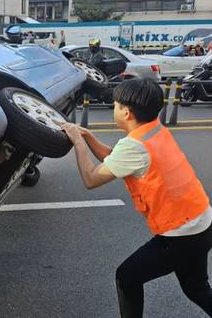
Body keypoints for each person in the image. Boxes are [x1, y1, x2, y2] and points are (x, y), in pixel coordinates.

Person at [61, 78, 212, 317]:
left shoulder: (135, 146)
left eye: (115, 104)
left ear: (126, 112)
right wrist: (88, 137)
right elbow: (114, 160)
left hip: (181, 234)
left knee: (127, 277)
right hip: (200, 223)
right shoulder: (153, 129)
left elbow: (91, 178)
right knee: (197, 289)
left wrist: (77, 142)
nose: (114, 108)